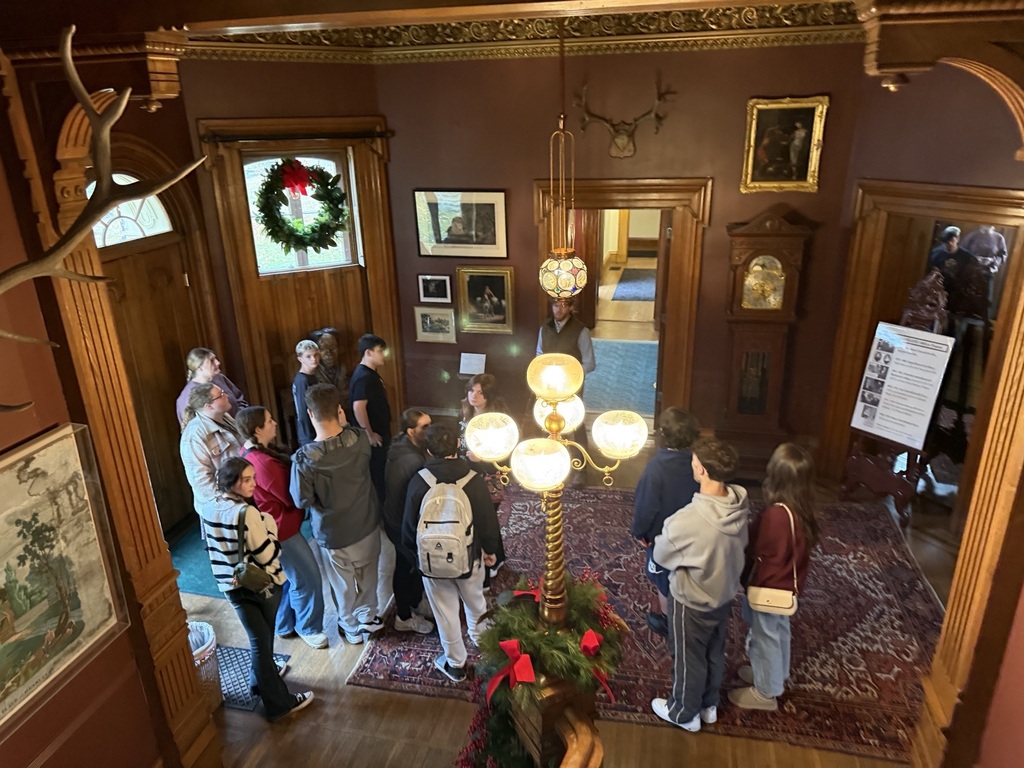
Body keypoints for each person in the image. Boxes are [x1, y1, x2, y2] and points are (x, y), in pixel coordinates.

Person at [202, 457, 314, 721]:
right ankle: (279, 704)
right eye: (247, 480)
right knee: (262, 644)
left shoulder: (208, 506)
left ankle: (260, 682)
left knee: (257, 639)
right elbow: (267, 555)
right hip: (259, 585)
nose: (254, 484)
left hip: (230, 585)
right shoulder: (248, 514)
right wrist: (270, 528)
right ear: (232, 482)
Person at [650, 437, 749, 732]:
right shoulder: (738, 502)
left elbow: (662, 554)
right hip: (724, 593)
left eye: (694, 461)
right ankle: (708, 705)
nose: (692, 463)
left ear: (702, 470)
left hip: (691, 599)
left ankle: (684, 713)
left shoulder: (687, 521)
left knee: (687, 657)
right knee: (714, 651)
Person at [402, 424, 500, 683]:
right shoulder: (473, 479)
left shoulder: (419, 480)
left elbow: (408, 528)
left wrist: (417, 557)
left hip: (433, 563)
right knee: (476, 602)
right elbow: (488, 521)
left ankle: (456, 663)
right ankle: (485, 647)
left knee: (445, 612)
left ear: (428, 449)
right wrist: (491, 552)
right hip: (469, 559)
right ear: (458, 444)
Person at [291, 384, 384, 645]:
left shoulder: (304, 459)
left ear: (310, 414)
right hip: (366, 522)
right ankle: (369, 615)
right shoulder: (360, 439)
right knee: (369, 573)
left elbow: (301, 500)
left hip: (333, 532)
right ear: (340, 410)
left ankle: (349, 624)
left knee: (341, 582)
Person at [730, 443, 819, 712]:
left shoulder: (776, 516)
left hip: (769, 588)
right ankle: (774, 676)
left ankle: (766, 692)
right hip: (786, 590)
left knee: (764, 637)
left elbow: (760, 550)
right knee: (779, 632)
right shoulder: (800, 510)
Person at [236, 406, 328, 650]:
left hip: (272, 529)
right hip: (282, 531)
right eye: (269, 421)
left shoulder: (249, 453)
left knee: (288, 579)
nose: (275, 423)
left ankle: (284, 624)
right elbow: (292, 497)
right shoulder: (262, 463)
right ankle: (309, 627)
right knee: (308, 579)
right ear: (258, 429)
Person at [630, 407, 701, 638]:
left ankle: (668, 622)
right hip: (694, 536)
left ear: (661, 435)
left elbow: (646, 506)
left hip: (662, 539)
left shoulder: (655, 468)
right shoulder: (698, 465)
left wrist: (639, 532)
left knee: (663, 580)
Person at [382, 409, 435, 633]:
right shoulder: (413, 460)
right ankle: (403, 617)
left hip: (397, 518)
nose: (430, 430)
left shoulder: (403, 446)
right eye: (425, 427)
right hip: (401, 524)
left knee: (413, 564)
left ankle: (415, 602)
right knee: (407, 567)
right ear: (411, 431)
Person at [536, 296, 595, 480]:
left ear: (570, 308)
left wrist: (570, 374)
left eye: (563, 306)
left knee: (574, 424)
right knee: (550, 424)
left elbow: (590, 363)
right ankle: (554, 464)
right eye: (555, 305)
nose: (559, 310)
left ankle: (580, 469)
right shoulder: (544, 328)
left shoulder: (581, 331)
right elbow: (539, 354)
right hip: (549, 386)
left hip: (571, 388)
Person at [459, 373, 508, 583]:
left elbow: (506, 453)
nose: (474, 396)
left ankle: (494, 559)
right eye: (472, 390)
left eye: (480, 393)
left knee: (487, 520)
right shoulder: (464, 412)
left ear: (489, 396)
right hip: (466, 473)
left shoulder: (497, 420)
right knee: (473, 519)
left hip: (488, 475)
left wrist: (483, 458)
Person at [180, 382, 244, 525]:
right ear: (208, 406)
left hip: (241, 494)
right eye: (221, 395)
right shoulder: (194, 436)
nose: (226, 395)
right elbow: (203, 483)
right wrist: (231, 504)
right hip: (224, 509)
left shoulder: (224, 417)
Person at [349, 333, 392, 503]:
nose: (383, 355)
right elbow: (358, 407)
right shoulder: (363, 377)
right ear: (368, 353)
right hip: (374, 438)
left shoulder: (370, 374)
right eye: (380, 351)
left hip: (380, 433)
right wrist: (369, 433)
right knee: (377, 474)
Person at [175, 347, 247, 428]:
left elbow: (239, 400)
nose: (218, 362)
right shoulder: (189, 395)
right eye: (211, 361)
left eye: (215, 359)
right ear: (199, 368)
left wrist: (244, 421)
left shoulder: (219, 378)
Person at [292, 339, 320, 447]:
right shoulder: (302, 381)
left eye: (316, 355)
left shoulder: (312, 376)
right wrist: (310, 435)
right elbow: (302, 410)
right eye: (308, 356)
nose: (313, 359)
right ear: (300, 359)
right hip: (309, 434)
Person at [310, 328, 349, 407]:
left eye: (332, 347)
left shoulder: (342, 368)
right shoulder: (313, 372)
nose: (329, 353)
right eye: (323, 348)